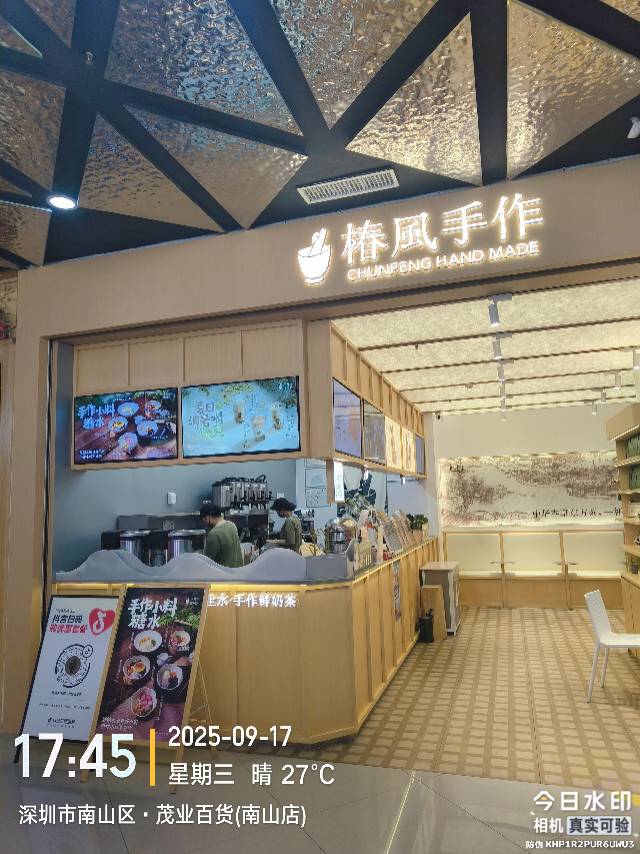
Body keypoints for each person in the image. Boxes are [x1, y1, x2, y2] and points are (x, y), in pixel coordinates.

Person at [200, 501, 243, 568]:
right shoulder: (232, 525)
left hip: (222, 573)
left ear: (208, 517)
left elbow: (207, 562)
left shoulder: (214, 534)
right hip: (237, 571)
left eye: (204, 519)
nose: (204, 522)